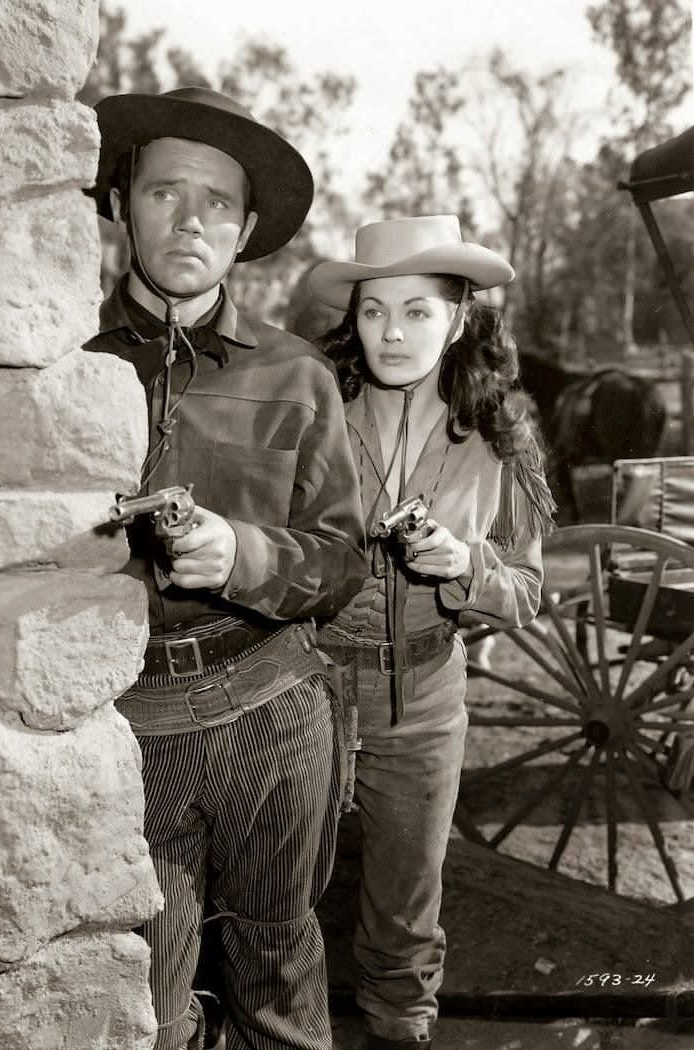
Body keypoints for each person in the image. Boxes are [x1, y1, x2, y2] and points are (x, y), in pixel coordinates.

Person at [82, 87, 366, 1050]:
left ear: (245, 231)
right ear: (123, 202)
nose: (189, 219)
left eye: (216, 203)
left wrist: (242, 554)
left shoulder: (296, 375)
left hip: (271, 704)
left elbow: (342, 558)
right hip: (126, 724)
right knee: (144, 1011)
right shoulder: (62, 368)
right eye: (165, 191)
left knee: (279, 982)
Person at [307, 215, 555, 1050]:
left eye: (418, 311)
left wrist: (465, 566)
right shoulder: (313, 411)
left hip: (424, 703)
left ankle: (397, 1030)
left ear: (460, 317)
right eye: (374, 311)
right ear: (353, 317)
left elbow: (525, 591)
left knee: (404, 910)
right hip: (306, 688)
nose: (392, 332)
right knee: (276, 898)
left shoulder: (501, 438)